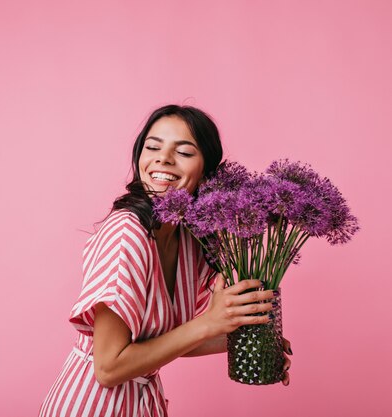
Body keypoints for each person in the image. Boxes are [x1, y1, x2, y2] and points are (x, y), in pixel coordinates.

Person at [38, 104, 293, 417]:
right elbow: (108, 368)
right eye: (153, 147)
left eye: (184, 152)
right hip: (92, 407)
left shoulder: (189, 239)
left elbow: (159, 340)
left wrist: (245, 340)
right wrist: (209, 323)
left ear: (207, 171)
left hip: (142, 405)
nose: (162, 159)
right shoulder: (127, 233)